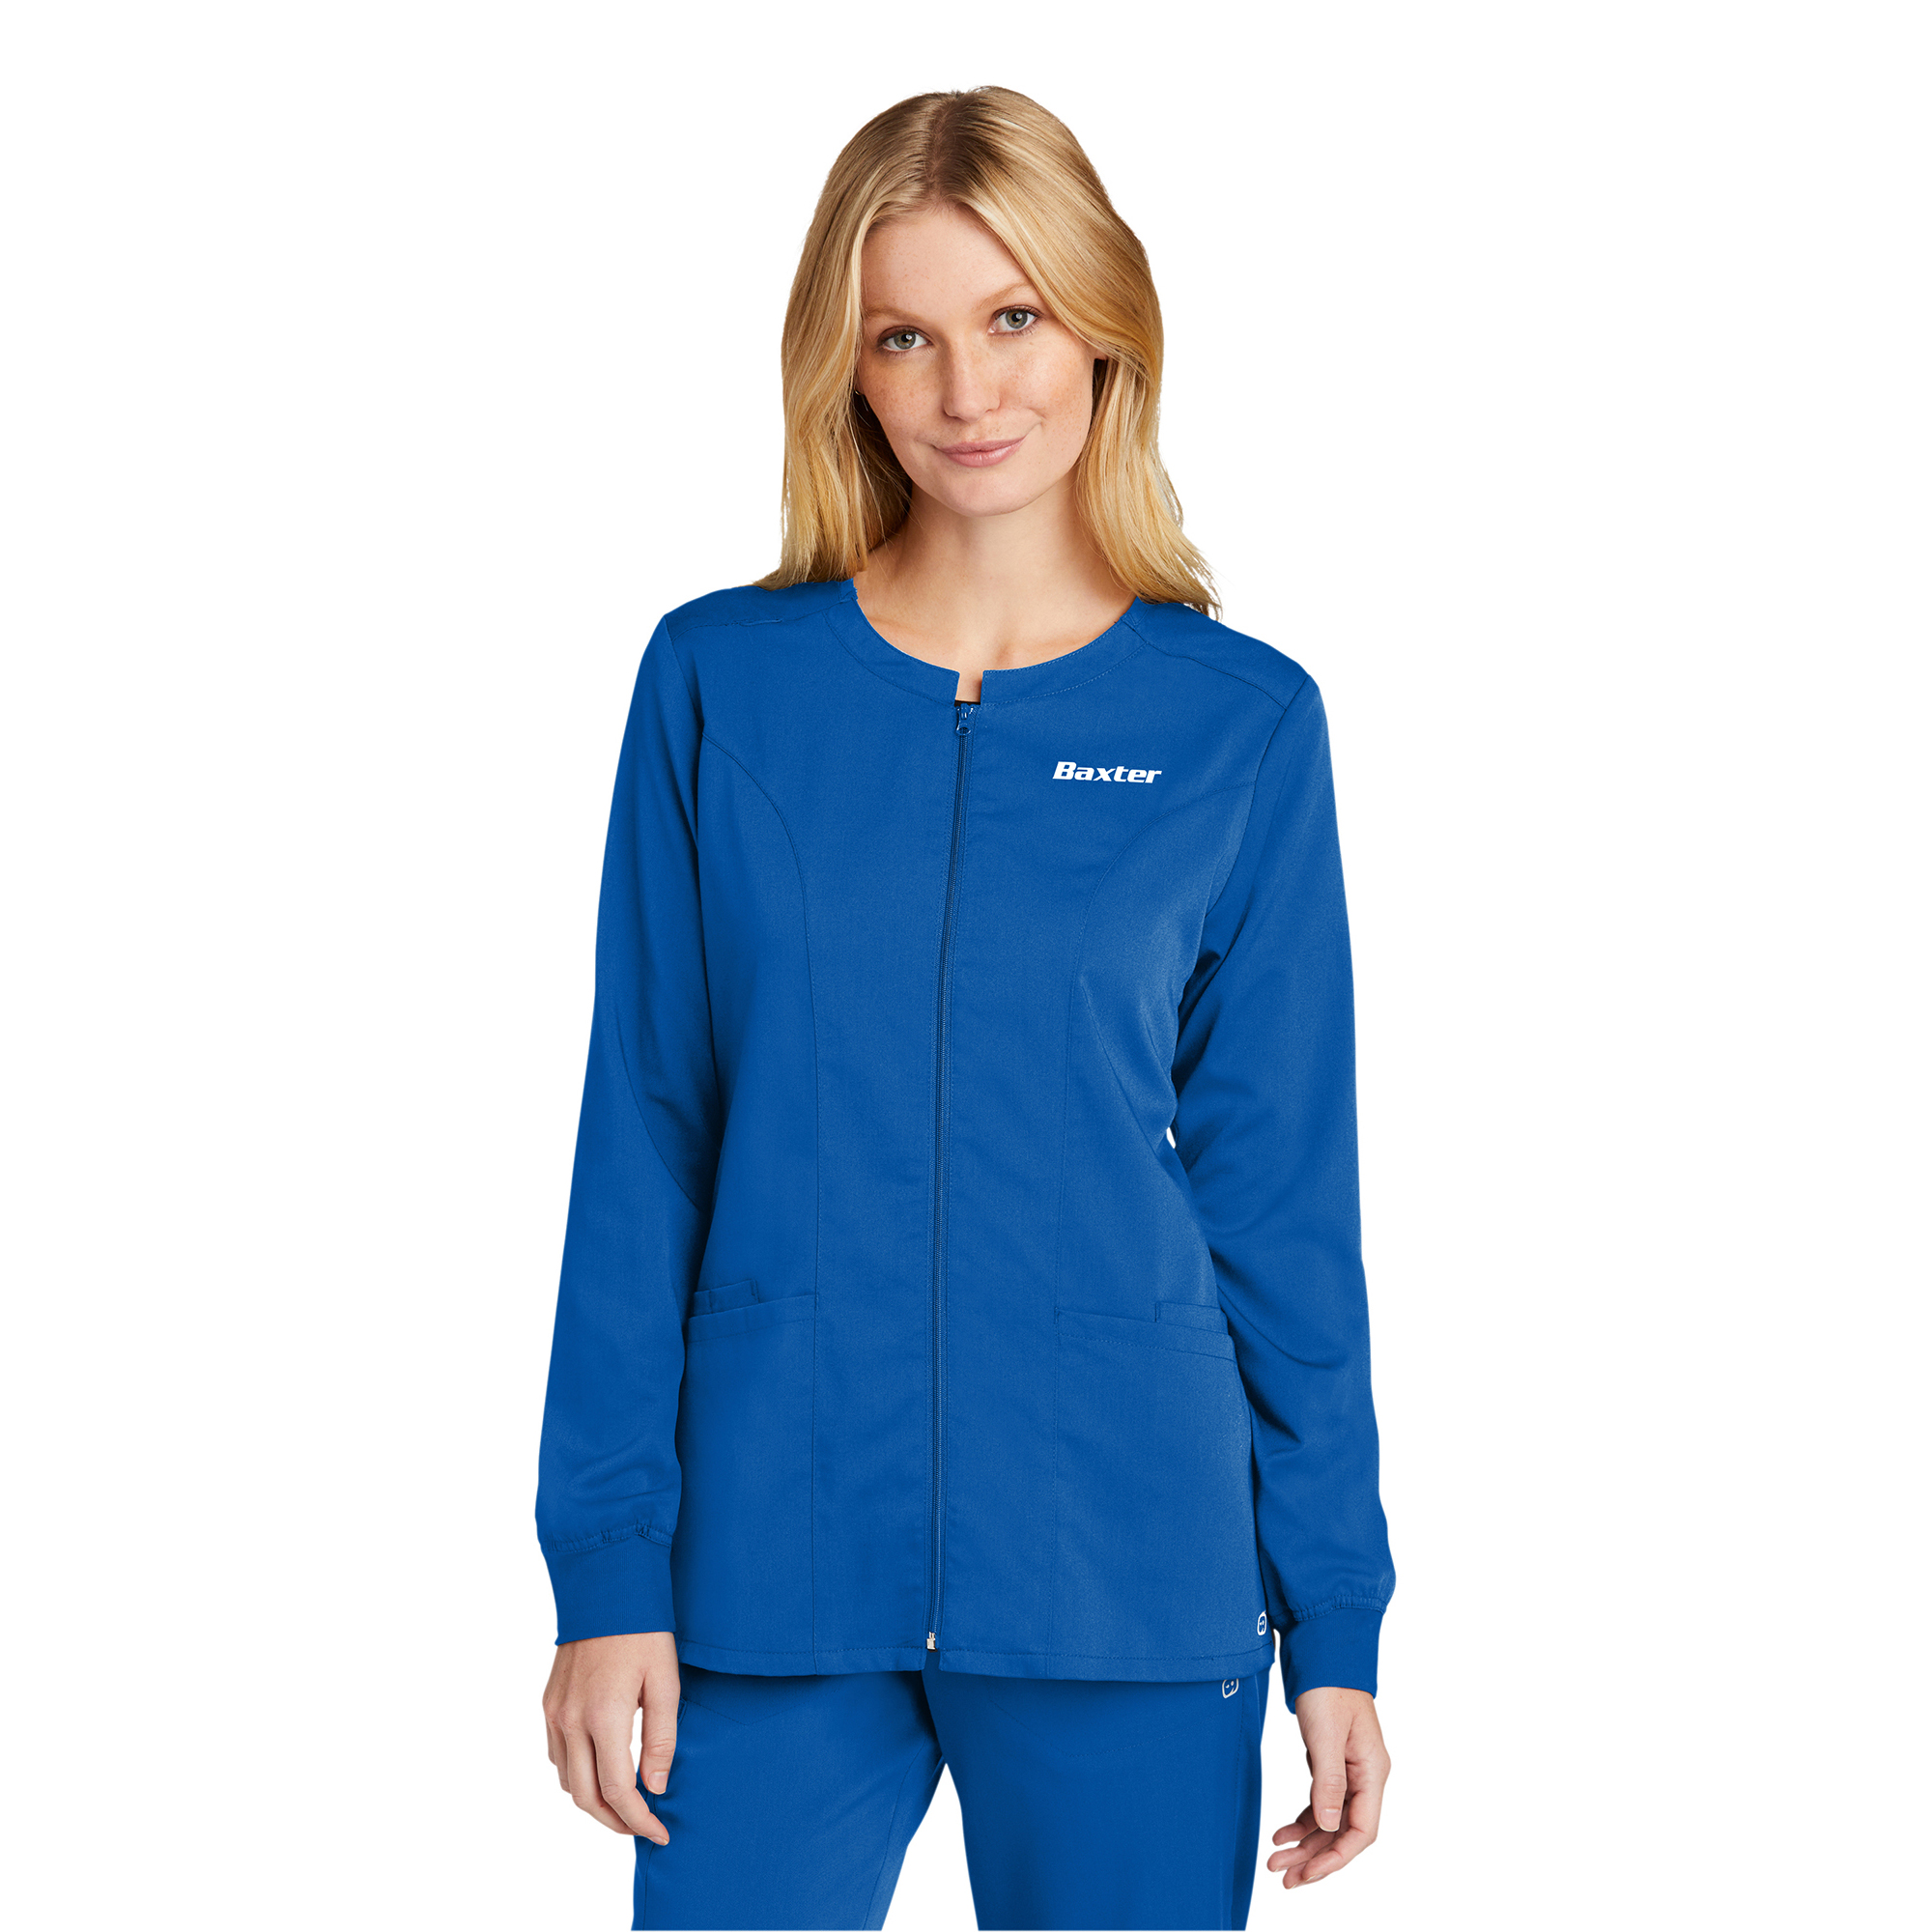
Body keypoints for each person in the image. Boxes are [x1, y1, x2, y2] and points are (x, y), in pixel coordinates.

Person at [535, 86, 1396, 1931]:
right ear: (843, 367)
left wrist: (1335, 1617)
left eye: (1012, 317)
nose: (966, 390)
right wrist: (606, 1570)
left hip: (1124, 1568)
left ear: (1103, 326)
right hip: (770, 1563)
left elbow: (1280, 1204)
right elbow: (647, 1136)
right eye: (903, 336)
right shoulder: (721, 685)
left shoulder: (1240, 724)